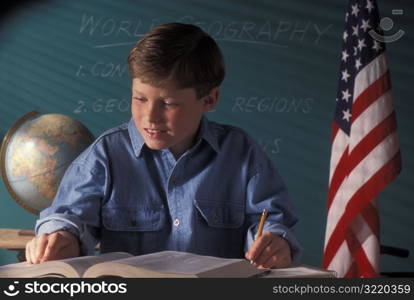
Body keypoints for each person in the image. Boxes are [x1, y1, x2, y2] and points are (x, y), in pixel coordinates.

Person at [25, 23, 301, 269]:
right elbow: (69, 217)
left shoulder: (241, 153)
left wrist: (277, 242)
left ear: (209, 99)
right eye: (139, 99)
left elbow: (272, 222)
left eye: (168, 103)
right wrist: (61, 237)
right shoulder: (106, 155)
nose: (149, 117)